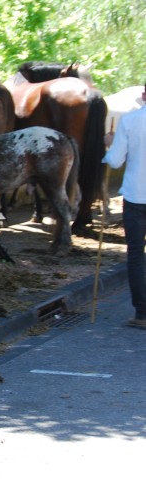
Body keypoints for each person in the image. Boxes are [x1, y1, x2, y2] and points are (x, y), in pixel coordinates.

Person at [103, 82, 146, 329]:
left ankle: (142, 313)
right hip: (135, 195)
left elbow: (116, 161)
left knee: (136, 254)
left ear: (143, 95)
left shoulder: (130, 121)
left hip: (136, 196)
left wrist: (109, 145)